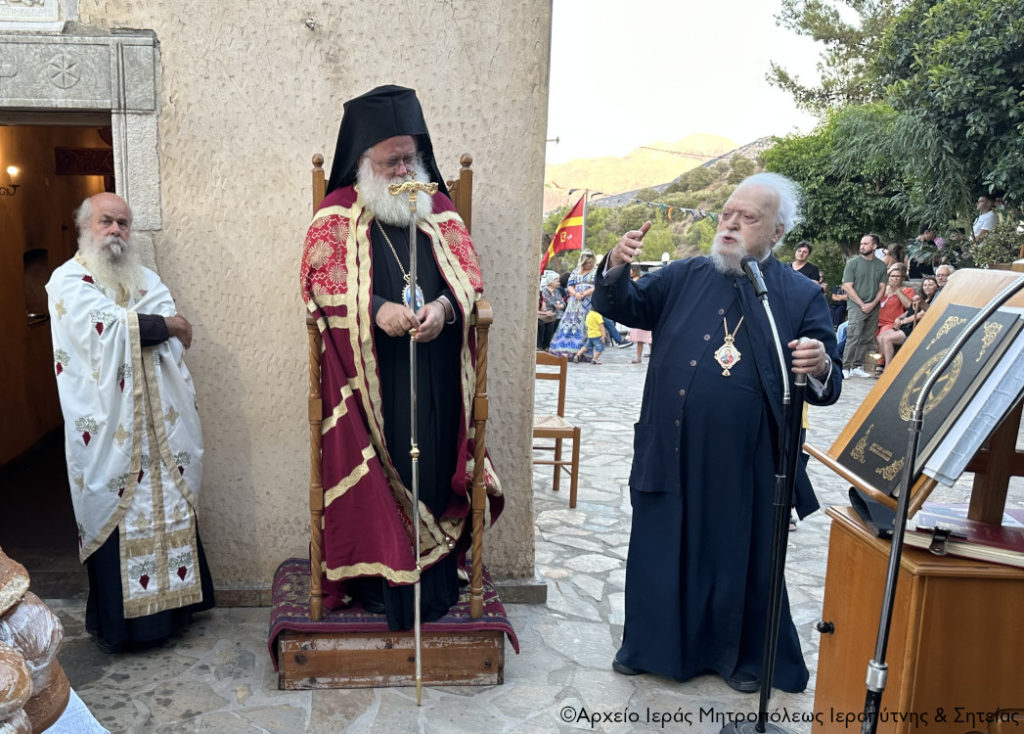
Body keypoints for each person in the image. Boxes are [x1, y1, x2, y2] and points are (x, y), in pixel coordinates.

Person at [593, 172, 841, 694]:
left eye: (747, 218)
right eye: (727, 213)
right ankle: (650, 648)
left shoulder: (798, 295)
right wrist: (616, 265)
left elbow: (828, 382)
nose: (730, 223)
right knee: (662, 547)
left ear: (776, 232)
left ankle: (740, 659)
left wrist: (819, 364)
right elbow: (623, 306)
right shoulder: (683, 274)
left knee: (738, 558)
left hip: (748, 462)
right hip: (672, 446)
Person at [299, 85, 503, 630]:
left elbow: (469, 280)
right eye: (391, 162)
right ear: (362, 162)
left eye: (410, 158)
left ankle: (433, 582)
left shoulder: (439, 208)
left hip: (435, 374)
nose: (404, 170)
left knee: (432, 466)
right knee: (381, 469)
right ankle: (378, 585)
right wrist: (375, 309)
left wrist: (443, 308)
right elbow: (319, 286)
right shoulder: (336, 213)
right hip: (371, 381)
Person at [45, 193, 214, 653]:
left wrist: (161, 324)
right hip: (110, 433)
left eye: (123, 223)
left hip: (160, 433)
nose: (116, 230)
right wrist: (169, 325)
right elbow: (110, 326)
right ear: (85, 227)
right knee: (115, 511)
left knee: (169, 507)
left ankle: (174, 615)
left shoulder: (144, 278)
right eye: (106, 221)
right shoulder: (67, 281)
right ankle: (126, 628)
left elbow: (156, 315)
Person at [841, 233, 888, 378]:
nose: (862, 246)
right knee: (854, 335)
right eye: (861, 244)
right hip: (856, 305)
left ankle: (857, 365)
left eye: (866, 244)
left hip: (873, 306)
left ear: (874, 246)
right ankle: (845, 367)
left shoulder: (881, 265)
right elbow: (847, 286)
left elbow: (882, 288)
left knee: (867, 337)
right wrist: (862, 304)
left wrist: (872, 304)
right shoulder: (853, 263)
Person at [548, 250, 597, 357]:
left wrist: (585, 293)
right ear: (582, 262)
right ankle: (566, 350)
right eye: (586, 263)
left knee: (586, 325)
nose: (588, 265)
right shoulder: (576, 271)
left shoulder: (596, 272)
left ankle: (582, 352)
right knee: (570, 324)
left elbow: (597, 286)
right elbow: (570, 285)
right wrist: (575, 294)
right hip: (575, 302)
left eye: (590, 262)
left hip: (589, 302)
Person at [873, 263, 915, 374]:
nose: (894, 278)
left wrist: (897, 290)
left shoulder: (907, 290)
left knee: (882, 335)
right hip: (876, 320)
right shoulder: (882, 289)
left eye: (898, 276)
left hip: (891, 322)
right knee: (846, 328)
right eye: (892, 276)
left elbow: (909, 306)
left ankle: (880, 364)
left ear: (903, 278)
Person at [627, 264, 652, 363]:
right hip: (644, 311)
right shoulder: (640, 280)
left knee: (642, 337)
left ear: (633, 270)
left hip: (639, 312)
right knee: (646, 337)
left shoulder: (635, 282)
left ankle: (639, 357)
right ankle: (648, 356)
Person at [537, 270, 564, 350]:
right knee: (541, 324)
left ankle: (547, 346)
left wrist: (560, 305)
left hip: (551, 313)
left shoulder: (556, 291)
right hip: (545, 314)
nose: (559, 283)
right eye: (557, 281)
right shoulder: (544, 291)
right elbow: (551, 304)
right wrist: (556, 305)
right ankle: (539, 346)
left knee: (552, 322)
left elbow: (562, 303)